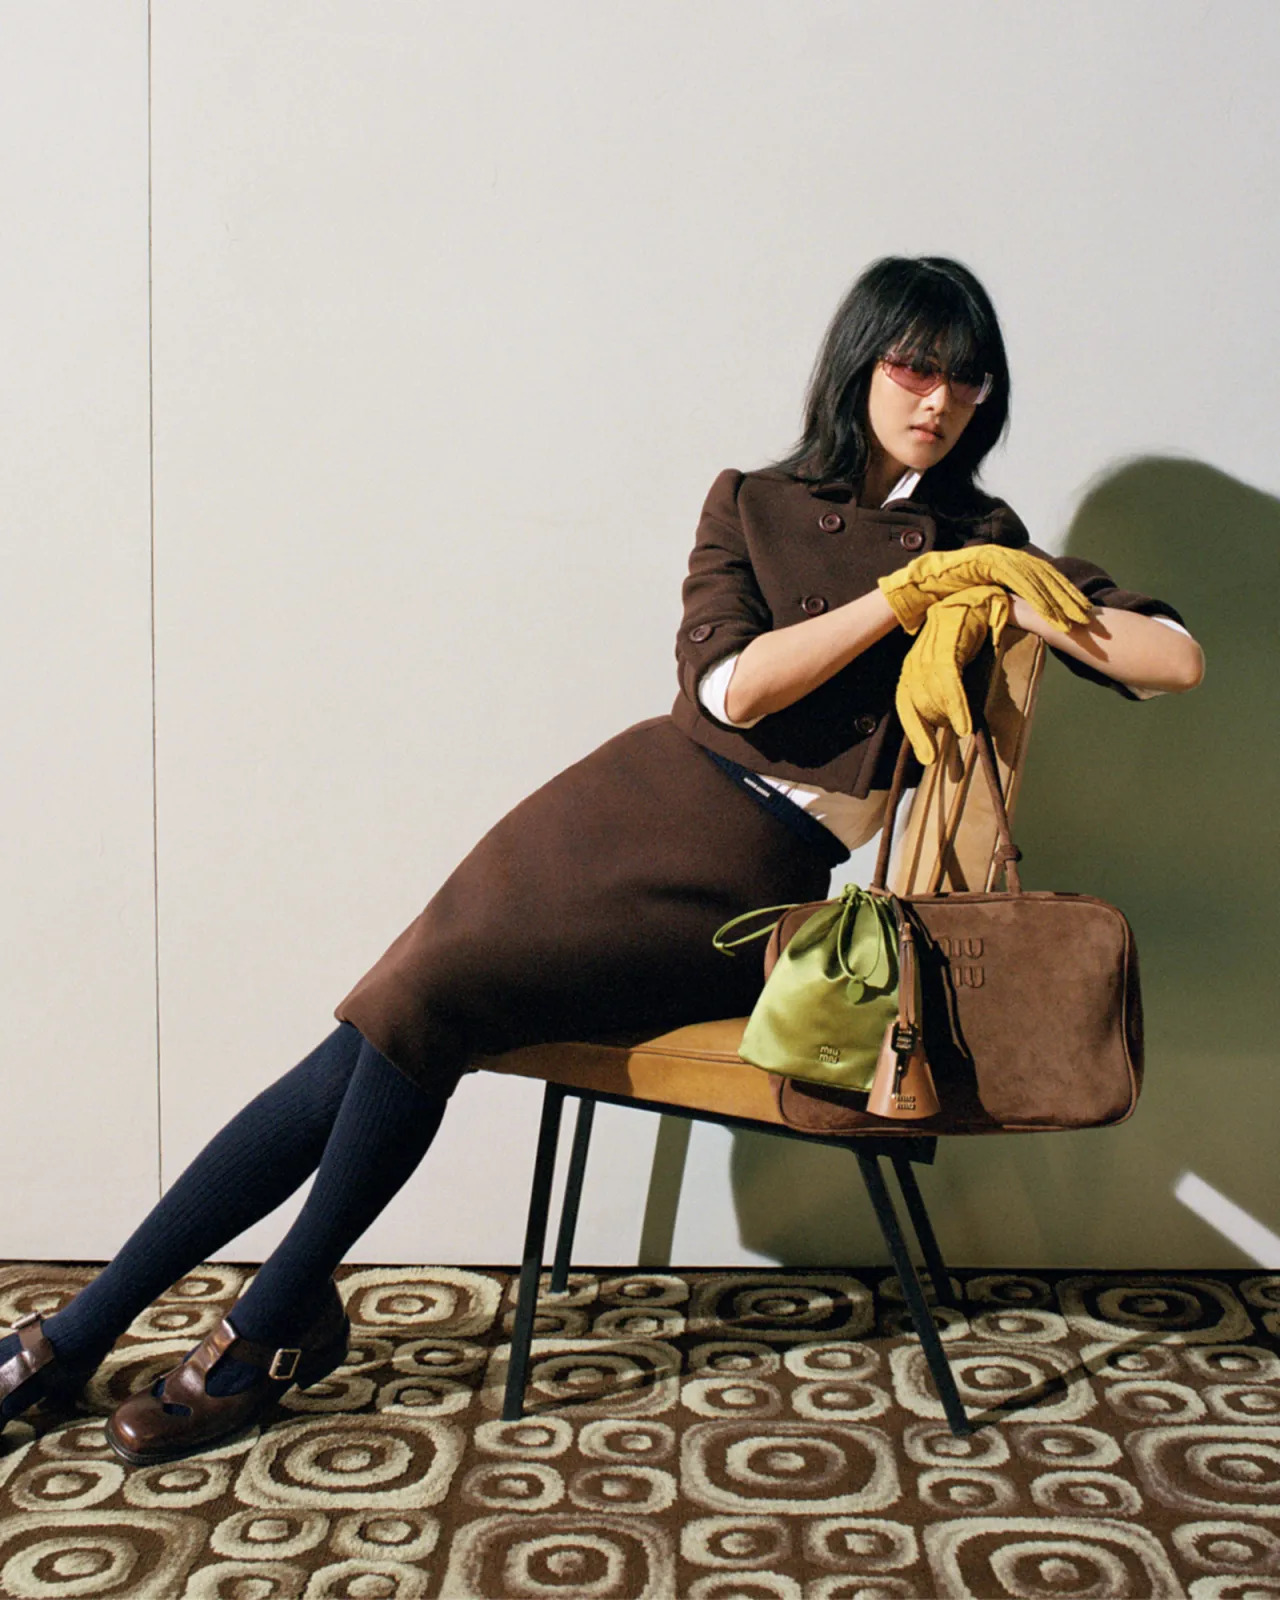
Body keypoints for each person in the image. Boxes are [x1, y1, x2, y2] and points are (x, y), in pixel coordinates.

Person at [0, 256, 1204, 1465]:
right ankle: (152, 1325)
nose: (936, 400)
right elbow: (730, 688)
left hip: (742, 887)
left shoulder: (983, 538)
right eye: (912, 366)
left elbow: (1172, 660)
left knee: (418, 1005)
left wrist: (1006, 590)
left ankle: (198, 1325)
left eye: (965, 379)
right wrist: (906, 598)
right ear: (860, 363)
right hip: (617, 810)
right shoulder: (751, 500)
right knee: (381, 1024)